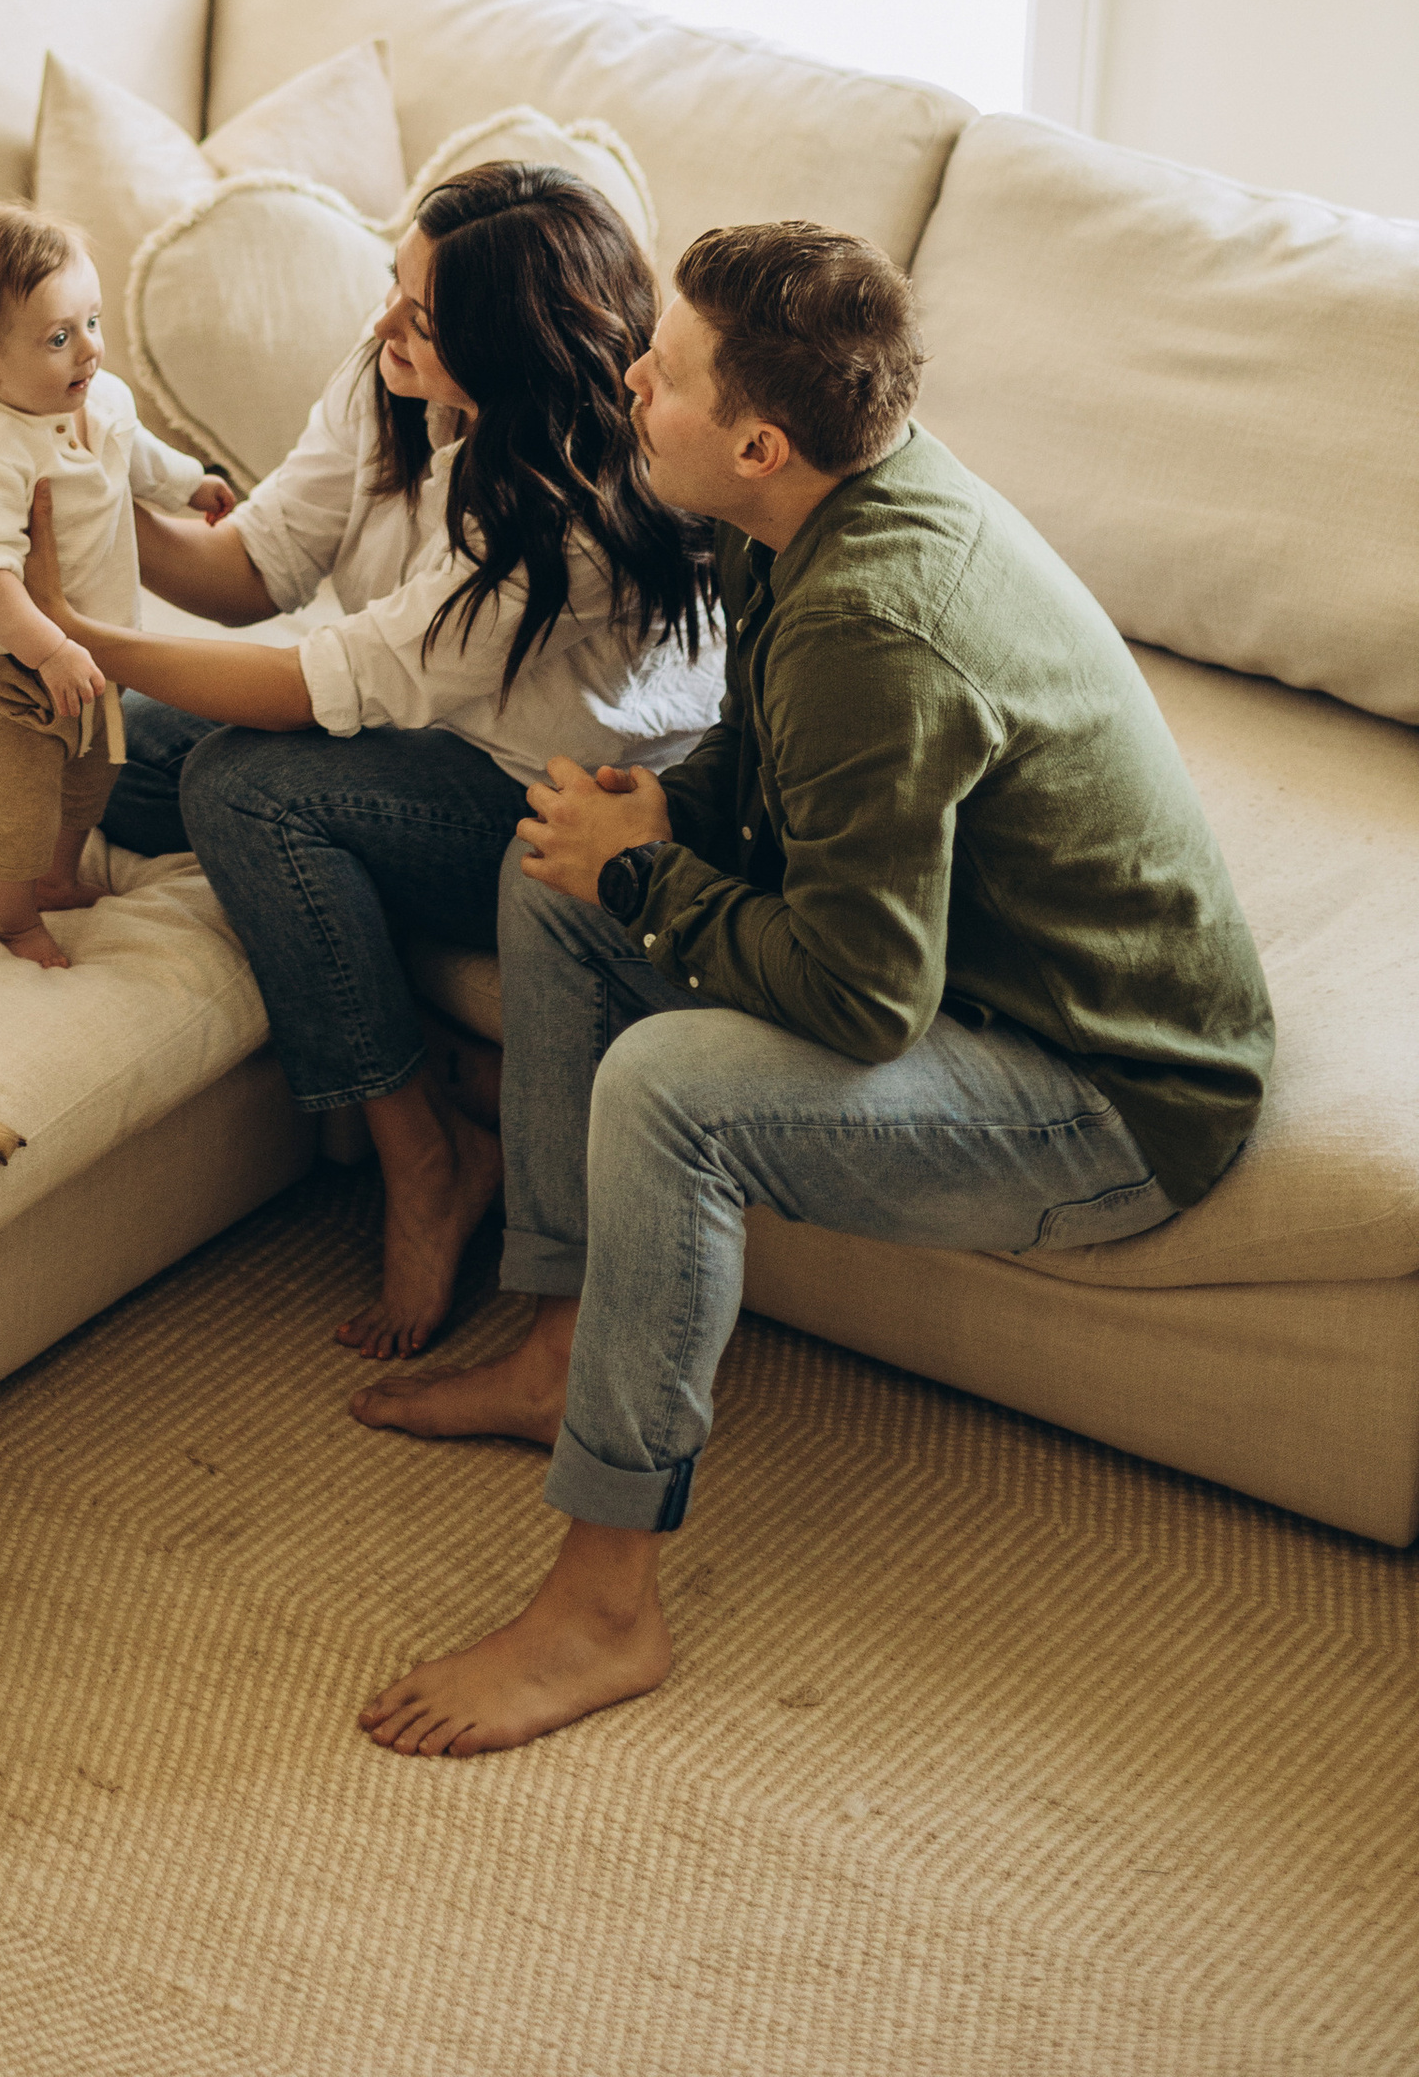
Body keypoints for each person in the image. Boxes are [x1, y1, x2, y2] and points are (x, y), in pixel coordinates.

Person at [351, 219, 1276, 1760]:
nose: (631, 380)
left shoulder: (872, 617)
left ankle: (604, 1609)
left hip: (1109, 1087)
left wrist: (649, 877)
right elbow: (770, 746)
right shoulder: (807, 510)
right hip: (976, 971)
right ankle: (561, 1349)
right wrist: (655, 823)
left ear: (759, 443)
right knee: (550, 869)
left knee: (671, 1090)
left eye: (666, 372)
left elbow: (861, 999)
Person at [0, 163, 722, 1354]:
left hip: (544, 793)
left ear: (507, 350)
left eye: (423, 317)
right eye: (392, 286)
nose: (385, 324)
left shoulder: (570, 519)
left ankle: (425, 1153)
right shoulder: (390, 377)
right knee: (130, 763)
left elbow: (321, 681)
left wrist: (74, 635)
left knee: (239, 791)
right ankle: (413, 1012)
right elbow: (253, 568)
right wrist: (60, 489)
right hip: (419, 723)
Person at [0, 206, 235, 966]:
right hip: (9, 664)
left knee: (91, 780)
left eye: (92, 320)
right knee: (22, 806)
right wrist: (49, 650)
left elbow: (135, 451)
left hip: (94, 639)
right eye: (59, 338)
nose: (89, 347)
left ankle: (58, 876)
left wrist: (189, 485)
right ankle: (17, 920)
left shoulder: (98, 395)